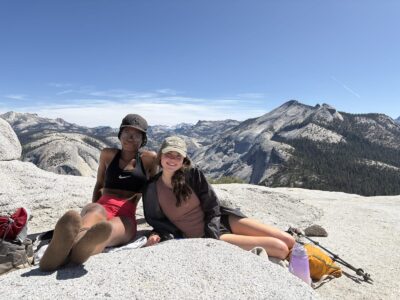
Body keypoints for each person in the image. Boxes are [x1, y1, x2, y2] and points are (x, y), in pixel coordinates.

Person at [143, 136, 295, 259]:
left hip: (221, 220)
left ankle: (311, 258)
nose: (172, 159)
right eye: (169, 154)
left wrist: (213, 229)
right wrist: (157, 233)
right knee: (280, 248)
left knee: (290, 240)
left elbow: (212, 203)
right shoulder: (152, 188)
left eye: (178, 155)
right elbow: (157, 220)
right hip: (207, 235)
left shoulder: (192, 175)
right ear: (161, 155)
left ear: (183, 159)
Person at [39, 114, 157, 271]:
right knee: (95, 212)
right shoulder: (108, 154)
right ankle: (75, 246)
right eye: (127, 133)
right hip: (102, 205)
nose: (131, 137)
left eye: (137, 134)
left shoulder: (149, 159)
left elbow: (155, 189)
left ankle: (73, 248)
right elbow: (99, 183)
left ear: (143, 139)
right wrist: (94, 204)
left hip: (126, 214)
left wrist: (157, 224)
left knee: (109, 229)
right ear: (120, 135)